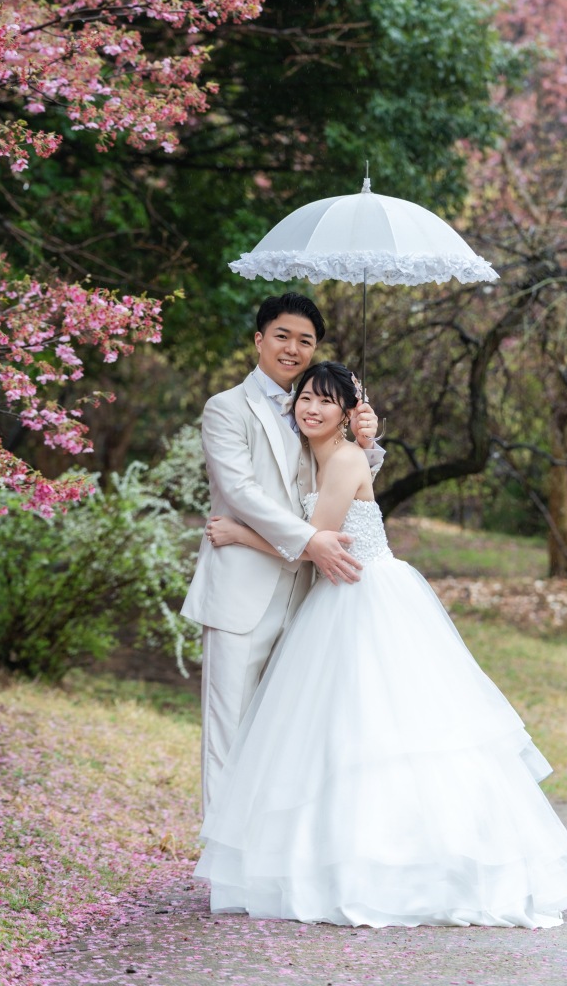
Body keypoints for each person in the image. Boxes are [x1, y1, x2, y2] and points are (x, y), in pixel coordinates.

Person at [195, 361, 567, 929]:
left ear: (346, 411)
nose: (311, 408)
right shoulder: (329, 453)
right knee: (343, 732)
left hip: (360, 596)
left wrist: (238, 534)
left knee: (377, 731)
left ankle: (396, 868)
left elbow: (316, 542)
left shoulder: (346, 458)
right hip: (346, 594)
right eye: (305, 397)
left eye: (326, 402)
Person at [181, 296, 383, 814]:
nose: (293, 348)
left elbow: (339, 481)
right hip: (241, 592)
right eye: (282, 336)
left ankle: (265, 860)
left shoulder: (311, 406)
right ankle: (222, 873)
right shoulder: (227, 408)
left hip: (307, 597)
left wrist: (366, 441)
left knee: (281, 735)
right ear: (259, 339)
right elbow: (241, 492)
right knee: (228, 732)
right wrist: (310, 540)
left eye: (306, 341)